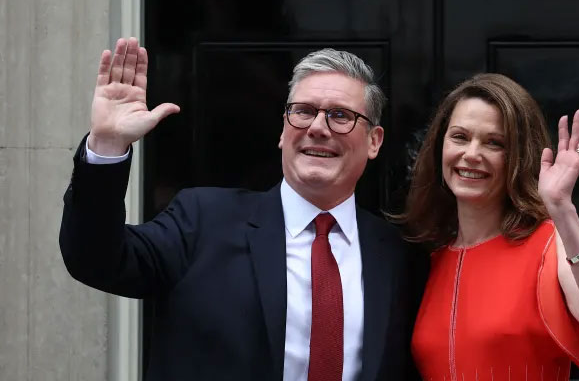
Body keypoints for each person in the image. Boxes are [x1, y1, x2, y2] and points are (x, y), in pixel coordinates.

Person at [59, 37, 427, 381]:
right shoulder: (203, 220)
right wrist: (106, 145)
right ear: (284, 130)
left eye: (341, 116)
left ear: (374, 141)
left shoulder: (396, 254)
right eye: (303, 111)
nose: (318, 127)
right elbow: (95, 259)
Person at [396, 73, 579, 380]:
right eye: (459, 137)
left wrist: (562, 209)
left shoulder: (549, 243)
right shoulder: (428, 257)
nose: (471, 154)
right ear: (439, 146)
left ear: (518, 157)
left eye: (494, 143)